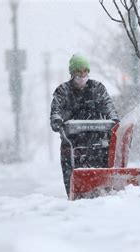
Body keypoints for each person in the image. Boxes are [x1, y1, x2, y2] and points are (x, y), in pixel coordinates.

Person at [50, 53, 120, 197]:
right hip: (72, 145)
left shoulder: (97, 88)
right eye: (78, 71)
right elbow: (55, 110)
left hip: (98, 143)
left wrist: (114, 119)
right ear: (72, 72)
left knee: (102, 175)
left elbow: (108, 106)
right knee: (73, 181)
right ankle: (75, 198)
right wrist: (57, 120)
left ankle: (103, 193)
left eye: (85, 71)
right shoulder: (63, 91)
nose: (82, 75)